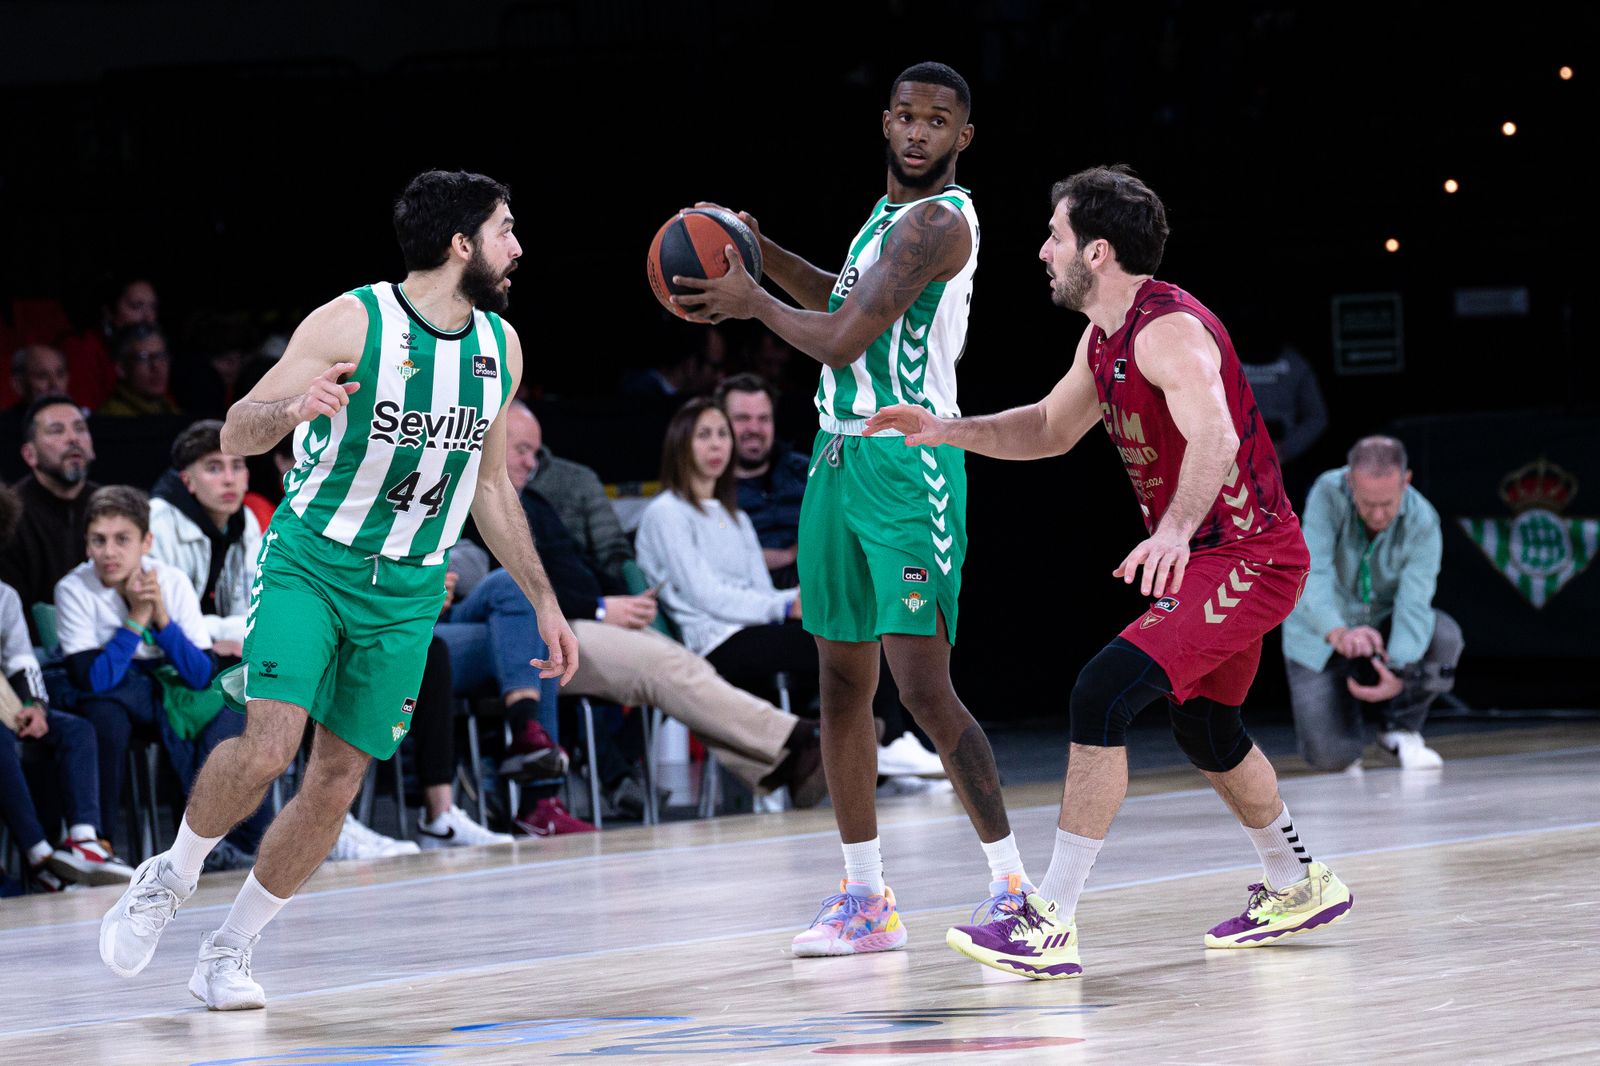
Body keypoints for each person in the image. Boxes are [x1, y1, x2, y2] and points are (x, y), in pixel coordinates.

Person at [97, 169, 578, 1011]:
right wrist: (295, 408)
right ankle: (170, 875)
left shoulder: (501, 348)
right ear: (460, 244)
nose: (517, 247)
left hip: (409, 588)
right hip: (314, 561)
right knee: (269, 746)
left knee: (337, 777)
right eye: (505, 229)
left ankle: (229, 949)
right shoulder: (353, 320)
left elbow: (491, 487)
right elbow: (237, 429)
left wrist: (542, 598)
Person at [867, 165, 1353, 979]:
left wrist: (1173, 531)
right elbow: (1048, 428)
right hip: (1213, 557)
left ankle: (1049, 919)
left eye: (1054, 236)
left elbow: (1218, 437)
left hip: (1249, 556)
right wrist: (947, 429)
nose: (1042, 250)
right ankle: (1298, 880)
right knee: (1207, 729)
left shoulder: (1169, 331)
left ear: (1096, 252)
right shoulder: (1104, 339)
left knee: (1101, 693)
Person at [669, 61, 1024, 958]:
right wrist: (763, 253)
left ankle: (1015, 889)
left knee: (924, 689)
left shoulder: (939, 223)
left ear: (962, 136)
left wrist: (750, 299)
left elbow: (837, 339)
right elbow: (841, 299)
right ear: (885, 121)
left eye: (936, 120)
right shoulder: (885, 218)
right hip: (836, 458)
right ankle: (866, 898)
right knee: (839, 685)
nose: (917, 132)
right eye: (905, 116)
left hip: (906, 463)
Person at [716, 373, 944, 781]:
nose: (754, 428)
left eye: (762, 418)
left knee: (896, 612)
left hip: (823, 581)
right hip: (761, 605)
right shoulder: (711, 488)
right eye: (741, 419)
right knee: (851, 642)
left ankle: (898, 747)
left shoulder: (809, 465)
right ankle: (887, 747)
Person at [57, 486, 269, 866]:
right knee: (104, 713)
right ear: (86, 544)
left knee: (231, 708)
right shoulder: (74, 588)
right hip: (119, 689)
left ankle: (227, 840)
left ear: (146, 542)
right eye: (98, 540)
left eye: (122, 539)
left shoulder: (170, 580)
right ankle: (100, 845)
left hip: (171, 684)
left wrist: (162, 619)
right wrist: (136, 619)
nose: (109, 552)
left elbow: (200, 675)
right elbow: (95, 681)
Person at [1282, 436, 1460, 771]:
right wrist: (1339, 633)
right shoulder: (1327, 493)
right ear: (1350, 481)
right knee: (1331, 758)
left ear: (1405, 481)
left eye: (1387, 504)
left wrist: (1398, 671)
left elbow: (1414, 602)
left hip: (1383, 626)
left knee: (1444, 634)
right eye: (1367, 504)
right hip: (1319, 634)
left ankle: (1400, 729)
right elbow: (1311, 572)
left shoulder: (1423, 521)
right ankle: (1344, 727)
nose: (1378, 515)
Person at [148, 420, 262, 661]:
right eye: (214, 468)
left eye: (237, 466)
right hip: (160, 653)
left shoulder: (247, 520)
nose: (229, 479)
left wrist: (225, 637)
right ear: (187, 480)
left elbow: (255, 611)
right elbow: (163, 618)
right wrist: (213, 640)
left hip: (227, 645)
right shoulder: (156, 522)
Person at [0, 395, 100, 643]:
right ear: (29, 454)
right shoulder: (10, 513)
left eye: (80, 428)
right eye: (57, 430)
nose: (73, 438)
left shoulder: (110, 506)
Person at [517, 407, 632, 588]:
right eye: (520, 450)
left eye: (531, 450)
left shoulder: (579, 480)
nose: (530, 463)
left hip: (585, 594)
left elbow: (614, 551)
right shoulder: (475, 490)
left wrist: (610, 598)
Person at [0, 344, 71, 481]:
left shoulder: (86, 424)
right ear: (19, 384)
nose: (54, 384)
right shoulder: (4, 432)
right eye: (42, 376)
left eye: (60, 374)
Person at [97, 323, 182, 418]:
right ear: (121, 368)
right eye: (143, 358)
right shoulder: (113, 417)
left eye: (161, 356)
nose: (156, 366)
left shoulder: (171, 410)